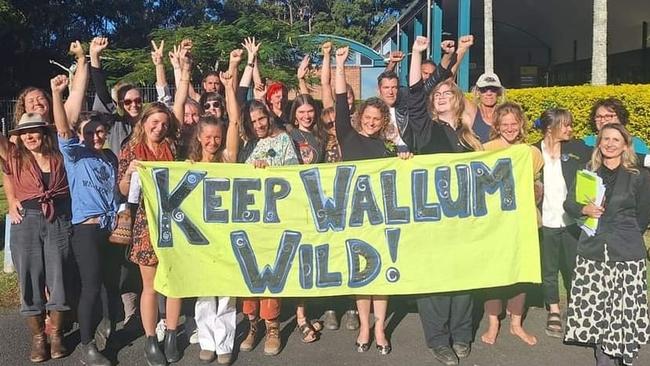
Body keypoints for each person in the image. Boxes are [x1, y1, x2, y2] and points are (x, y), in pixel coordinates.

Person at [334, 45, 413, 355]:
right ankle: (365, 324)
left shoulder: (387, 150)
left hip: (380, 219)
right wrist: (340, 64)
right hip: (353, 216)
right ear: (360, 118)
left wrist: (404, 155)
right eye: (367, 117)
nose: (370, 122)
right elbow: (341, 102)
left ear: (383, 122)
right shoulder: (348, 136)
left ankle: (380, 326)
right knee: (361, 272)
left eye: (376, 119)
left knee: (380, 272)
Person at [407, 36, 480, 366]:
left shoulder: (470, 135)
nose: (440, 97)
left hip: (464, 218)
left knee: (464, 274)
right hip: (432, 217)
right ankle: (438, 339)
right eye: (436, 95)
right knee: (436, 276)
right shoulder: (424, 128)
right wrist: (419, 53)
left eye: (446, 93)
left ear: (457, 98)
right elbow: (413, 96)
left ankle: (462, 333)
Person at [564, 123, 650, 366]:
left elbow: (643, 215)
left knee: (623, 308)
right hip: (593, 251)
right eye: (605, 139)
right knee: (599, 308)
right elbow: (569, 204)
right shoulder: (586, 172)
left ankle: (623, 352)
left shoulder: (639, 176)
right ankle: (604, 355)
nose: (610, 144)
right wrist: (584, 208)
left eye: (616, 139)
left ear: (625, 145)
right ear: (599, 143)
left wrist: (627, 234)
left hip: (626, 252)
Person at [52, 74, 118, 366]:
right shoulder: (74, 153)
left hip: (110, 228)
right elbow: (63, 125)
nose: (96, 136)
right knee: (91, 285)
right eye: (90, 132)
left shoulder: (109, 158)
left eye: (101, 131)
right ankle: (87, 344)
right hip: (87, 229)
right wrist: (58, 95)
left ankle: (108, 323)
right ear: (81, 134)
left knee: (109, 283)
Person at [0, 112, 72, 363]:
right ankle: (39, 338)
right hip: (26, 220)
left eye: (34, 131)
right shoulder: (14, 156)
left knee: (58, 278)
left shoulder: (59, 155)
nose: (30, 136)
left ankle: (57, 335)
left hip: (58, 218)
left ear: (44, 132)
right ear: (18, 136)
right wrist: (11, 201)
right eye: (24, 132)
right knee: (29, 279)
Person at [117, 101, 180, 366]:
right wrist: (130, 174)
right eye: (154, 122)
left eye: (164, 123)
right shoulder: (131, 149)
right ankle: (151, 338)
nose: (159, 127)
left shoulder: (171, 147)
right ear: (143, 122)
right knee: (150, 285)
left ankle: (173, 335)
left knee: (176, 281)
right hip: (145, 222)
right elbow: (122, 189)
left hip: (172, 221)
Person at [238, 89, 299, 357]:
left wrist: (272, 171)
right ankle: (253, 323)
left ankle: (272, 325)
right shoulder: (245, 145)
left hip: (274, 220)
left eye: (261, 118)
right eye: (253, 121)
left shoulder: (284, 140)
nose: (259, 124)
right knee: (248, 271)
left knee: (270, 271)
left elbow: (295, 175)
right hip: (248, 220)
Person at [188, 65, 241, 364]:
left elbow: (234, 120)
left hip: (226, 230)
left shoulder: (228, 157)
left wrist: (229, 86)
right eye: (207, 138)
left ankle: (224, 343)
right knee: (205, 290)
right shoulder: (189, 163)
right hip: (200, 232)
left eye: (216, 137)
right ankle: (206, 340)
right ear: (199, 137)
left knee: (226, 290)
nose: (212, 142)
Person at [480, 102, 543, 347]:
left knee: (521, 271)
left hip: (523, 222)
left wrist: (537, 190)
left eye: (513, 124)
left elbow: (537, 183)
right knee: (495, 272)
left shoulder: (531, 153)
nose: (509, 128)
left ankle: (517, 323)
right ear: (497, 125)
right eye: (504, 124)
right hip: (495, 225)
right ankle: (493, 322)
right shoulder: (485, 149)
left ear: (521, 125)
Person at [532, 108, 591, 338]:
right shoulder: (533, 151)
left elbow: (606, 152)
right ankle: (553, 309)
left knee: (573, 266)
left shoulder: (576, 148)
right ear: (550, 127)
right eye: (565, 125)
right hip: (545, 219)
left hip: (571, 219)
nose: (570, 129)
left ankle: (576, 307)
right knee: (549, 268)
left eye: (570, 125)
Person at [583, 97, 649, 154]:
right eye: (598, 116)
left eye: (608, 116)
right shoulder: (586, 142)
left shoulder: (635, 143)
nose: (602, 120)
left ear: (621, 117)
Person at [462, 71, 505, 143]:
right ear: (478, 92)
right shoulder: (473, 112)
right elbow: (452, 90)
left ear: (499, 92)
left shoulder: (506, 114)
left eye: (493, 89)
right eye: (484, 89)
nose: (489, 93)